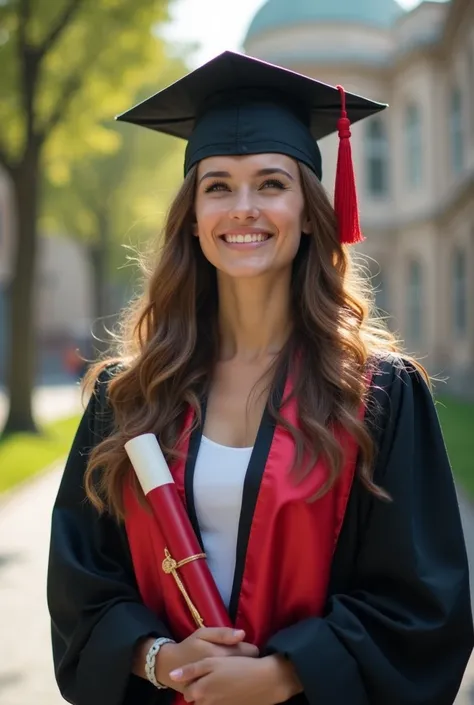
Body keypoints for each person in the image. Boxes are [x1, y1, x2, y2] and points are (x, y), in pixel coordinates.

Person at [47, 51, 473, 705]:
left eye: (271, 183)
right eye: (217, 185)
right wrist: (159, 658)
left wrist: (286, 671)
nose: (243, 207)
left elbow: (422, 599)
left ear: (309, 211)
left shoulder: (378, 395)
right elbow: (81, 577)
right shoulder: (129, 395)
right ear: (193, 217)